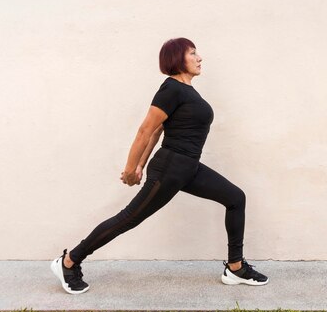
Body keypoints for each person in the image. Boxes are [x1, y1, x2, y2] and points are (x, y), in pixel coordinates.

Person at [50, 37, 269, 294]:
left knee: (235, 198)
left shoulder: (187, 91)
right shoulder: (171, 88)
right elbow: (146, 129)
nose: (199, 58)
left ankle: (235, 268)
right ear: (178, 59)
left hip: (188, 168)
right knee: (129, 218)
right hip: (171, 167)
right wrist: (131, 169)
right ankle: (68, 261)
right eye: (193, 53)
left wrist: (142, 164)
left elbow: (159, 132)